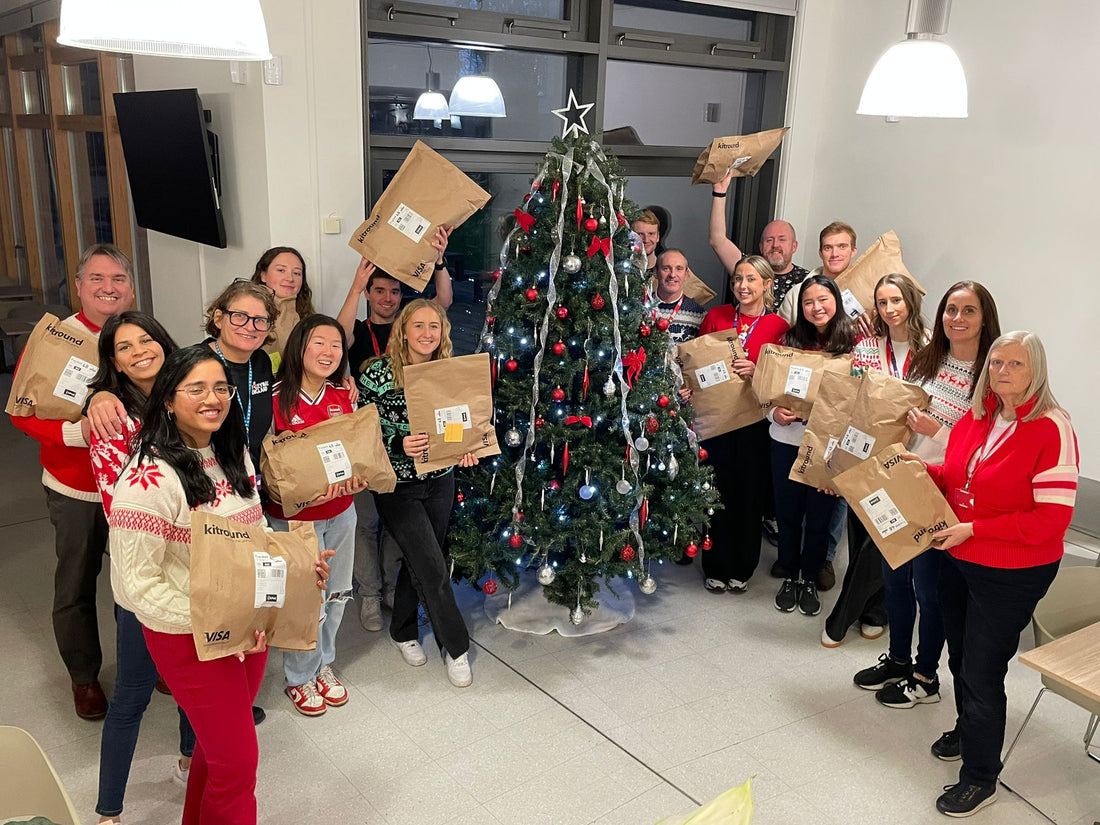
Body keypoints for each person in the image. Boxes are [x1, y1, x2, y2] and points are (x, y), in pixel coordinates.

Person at [109, 345, 331, 825]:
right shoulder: (148, 480)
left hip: (248, 627)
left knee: (216, 753)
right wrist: (218, 622)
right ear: (167, 399)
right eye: (197, 389)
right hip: (189, 637)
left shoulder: (231, 454)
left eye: (221, 388)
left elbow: (254, 541)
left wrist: (299, 569)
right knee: (239, 765)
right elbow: (134, 588)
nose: (213, 399)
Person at [918, 331, 1078, 817]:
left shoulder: (1052, 427)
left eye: (1016, 364)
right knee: (960, 655)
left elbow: (1051, 520)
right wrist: (921, 469)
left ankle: (980, 776)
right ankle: (969, 731)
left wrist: (975, 529)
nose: (1002, 371)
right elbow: (957, 477)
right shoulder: (976, 416)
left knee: (983, 671)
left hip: (1013, 571)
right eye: (996, 362)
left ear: (1036, 373)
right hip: (961, 557)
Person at [852, 281, 1002, 710]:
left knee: (929, 589)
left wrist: (937, 432)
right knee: (895, 576)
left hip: (947, 494)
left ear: (984, 318)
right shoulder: (927, 359)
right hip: (903, 480)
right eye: (951, 309)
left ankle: (925, 676)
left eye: (968, 311)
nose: (957, 318)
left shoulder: (990, 376)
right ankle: (899, 658)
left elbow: (988, 445)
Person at [8, 242, 134, 719]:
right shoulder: (53, 341)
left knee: (137, 580)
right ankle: (84, 677)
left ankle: (146, 661)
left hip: (131, 488)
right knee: (77, 583)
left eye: (118, 279)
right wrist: (74, 432)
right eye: (97, 279)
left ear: (130, 288)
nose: (108, 288)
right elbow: (21, 413)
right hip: (74, 487)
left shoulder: (141, 337)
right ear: (79, 287)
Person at [86, 312, 197, 824]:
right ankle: (109, 811)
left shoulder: (192, 394)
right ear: (114, 362)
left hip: (203, 563)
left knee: (194, 680)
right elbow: (120, 503)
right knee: (132, 691)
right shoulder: (109, 417)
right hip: (146, 574)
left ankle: (190, 761)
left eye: (146, 339)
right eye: (124, 347)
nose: (139, 351)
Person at [357, 299, 480, 688]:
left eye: (435, 326)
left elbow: (464, 420)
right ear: (403, 330)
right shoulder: (377, 374)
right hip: (397, 484)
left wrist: (467, 447)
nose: (427, 333)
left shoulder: (450, 373)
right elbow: (360, 428)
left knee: (423, 558)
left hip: (441, 477)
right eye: (419, 326)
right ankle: (456, 647)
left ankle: (403, 631)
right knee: (431, 565)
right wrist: (398, 442)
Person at [337, 230, 452, 633]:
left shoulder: (415, 331)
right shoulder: (354, 335)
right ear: (369, 294)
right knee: (367, 522)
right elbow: (339, 332)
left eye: (393, 292)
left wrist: (439, 260)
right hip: (369, 441)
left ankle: (390, 589)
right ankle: (369, 595)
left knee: (395, 529)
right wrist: (354, 285)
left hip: (414, 451)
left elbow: (440, 306)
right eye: (379, 290)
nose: (387, 297)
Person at [823, 273, 929, 649]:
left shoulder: (932, 349)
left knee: (886, 538)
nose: (890, 309)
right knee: (862, 535)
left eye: (896, 301)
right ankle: (874, 612)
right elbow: (850, 403)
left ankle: (844, 616)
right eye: (883, 302)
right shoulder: (867, 347)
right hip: (866, 456)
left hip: (911, 460)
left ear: (910, 303)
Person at [268, 315, 366, 715]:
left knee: (338, 594)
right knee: (306, 600)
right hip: (294, 519)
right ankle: (299, 676)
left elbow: (356, 454)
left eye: (336, 345)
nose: (329, 353)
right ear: (299, 347)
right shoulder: (274, 399)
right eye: (318, 343)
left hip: (342, 512)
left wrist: (358, 478)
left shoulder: (343, 397)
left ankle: (324, 663)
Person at [693, 255, 789, 592]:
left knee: (749, 494)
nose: (742, 286)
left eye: (750, 279)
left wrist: (758, 370)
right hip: (717, 421)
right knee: (716, 492)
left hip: (756, 422)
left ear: (766, 284)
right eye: (737, 279)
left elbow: (785, 379)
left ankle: (743, 566)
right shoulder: (717, 317)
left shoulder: (779, 327)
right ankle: (715, 564)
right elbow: (696, 365)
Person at [769, 275, 855, 617]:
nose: (816, 307)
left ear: (836, 300)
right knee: (788, 515)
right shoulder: (788, 340)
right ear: (800, 308)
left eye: (823, 299)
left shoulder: (852, 343)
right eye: (808, 302)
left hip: (827, 446)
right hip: (786, 440)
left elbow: (860, 399)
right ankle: (789, 575)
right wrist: (774, 413)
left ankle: (809, 578)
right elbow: (767, 391)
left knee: (819, 517)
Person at [707, 168, 807, 310]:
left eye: (782, 239)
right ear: (761, 246)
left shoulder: (807, 280)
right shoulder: (747, 268)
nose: (775, 245)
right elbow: (717, 240)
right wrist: (719, 193)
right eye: (769, 240)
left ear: (794, 246)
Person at [776, 221, 858, 327]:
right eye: (828, 248)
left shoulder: (867, 291)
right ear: (820, 253)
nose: (834, 254)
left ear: (853, 251)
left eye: (842, 246)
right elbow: (777, 338)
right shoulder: (796, 294)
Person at [250, 246, 315, 368]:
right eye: (281, 270)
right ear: (263, 275)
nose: (290, 278)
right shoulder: (247, 312)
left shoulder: (307, 317)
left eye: (297, 273)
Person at [650, 248, 706, 345]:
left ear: (686, 274)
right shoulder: (639, 306)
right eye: (666, 268)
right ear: (655, 272)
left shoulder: (700, 315)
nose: (672, 274)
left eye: (679, 269)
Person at [632, 210, 661, 274]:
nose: (646, 240)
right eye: (640, 234)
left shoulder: (673, 271)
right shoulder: (617, 272)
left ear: (658, 237)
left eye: (651, 234)